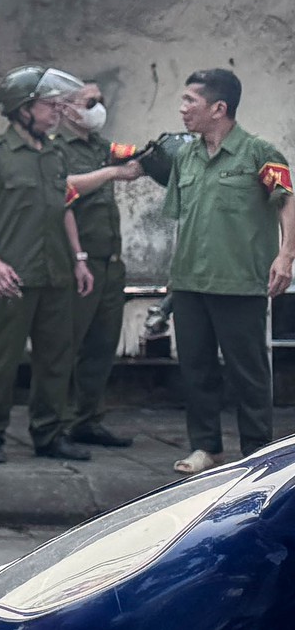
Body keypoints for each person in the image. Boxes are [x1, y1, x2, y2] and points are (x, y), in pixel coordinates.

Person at [158, 68, 295, 474]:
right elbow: (182, 220)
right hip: (189, 282)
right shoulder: (185, 156)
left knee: (248, 374)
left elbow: (287, 201)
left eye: (190, 102)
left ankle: (257, 453)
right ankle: (207, 448)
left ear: (219, 108)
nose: (182, 109)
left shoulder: (260, 153)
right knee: (196, 369)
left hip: (239, 282)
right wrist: (173, 276)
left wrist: (286, 255)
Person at [0, 66, 95, 464]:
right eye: (47, 104)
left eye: (57, 103)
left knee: (56, 358)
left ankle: (49, 433)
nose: (56, 110)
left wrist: (79, 259)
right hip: (13, 275)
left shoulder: (56, 153)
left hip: (56, 272)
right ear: (22, 109)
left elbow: (64, 207)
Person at [52, 81, 141, 449]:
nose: (98, 108)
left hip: (109, 262)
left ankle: (87, 419)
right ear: (67, 108)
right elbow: (65, 187)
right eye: (91, 102)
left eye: (100, 101)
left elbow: (135, 154)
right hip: (77, 262)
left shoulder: (102, 148)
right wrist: (111, 174)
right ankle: (54, 423)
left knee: (102, 346)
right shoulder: (55, 149)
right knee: (65, 345)